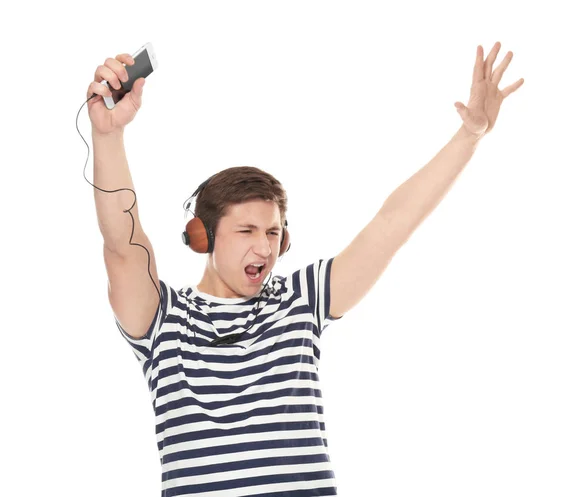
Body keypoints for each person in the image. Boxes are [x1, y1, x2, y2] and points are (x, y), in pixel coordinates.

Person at [87, 42, 523, 496]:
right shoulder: (164, 321)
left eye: (274, 233)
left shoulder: (300, 301)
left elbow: (391, 223)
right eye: (246, 231)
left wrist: (469, 136)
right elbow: (122, 244)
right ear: (203, 236)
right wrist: (108, 136)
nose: (264, 247)